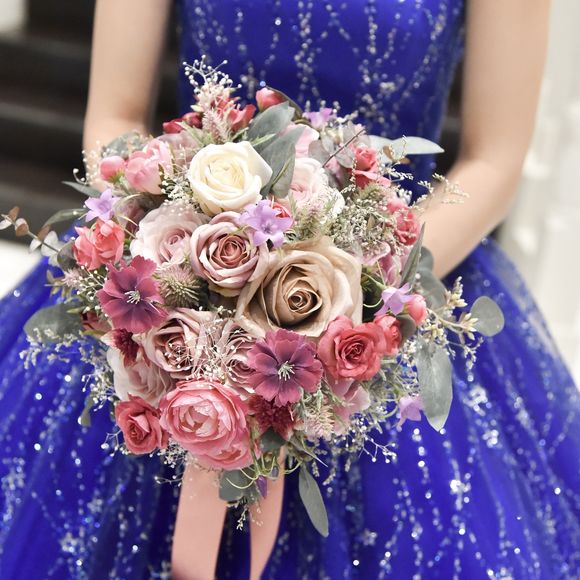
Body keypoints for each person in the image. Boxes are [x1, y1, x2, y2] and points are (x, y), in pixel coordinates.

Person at [1, 0, 579, 578]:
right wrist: (179, 272)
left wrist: (364, 293)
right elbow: (115, 115)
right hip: (171, 275)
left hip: (391, 283)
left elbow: (495, 159)